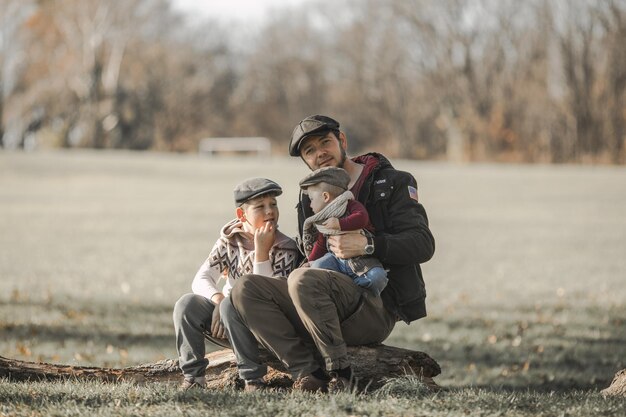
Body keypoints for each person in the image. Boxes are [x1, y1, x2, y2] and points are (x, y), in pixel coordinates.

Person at [228, 114, 435, 392]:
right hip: (319, 299)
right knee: (246, 289)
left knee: (304, 279)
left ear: (342, 141)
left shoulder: (391, 182)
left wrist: (368, 245)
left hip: (374, 304)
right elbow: (310, 254)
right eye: (309, 150)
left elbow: (423, 243)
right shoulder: (308, 197)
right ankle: (307, 374)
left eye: (325, 142)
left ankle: (341, 374)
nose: (319, 153)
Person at [172, 178, 301, 391]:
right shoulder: (230, 240)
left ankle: (253, 380)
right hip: (227, 323)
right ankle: (194, 377)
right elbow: (201, 278)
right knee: (186, 305)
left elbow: (264, 297)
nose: (270, 211)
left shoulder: (285, 247)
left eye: (274, 204)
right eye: (260, 207)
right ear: (242, 215)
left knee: (232, 304)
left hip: (266, 328)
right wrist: (219, 301)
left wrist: (261, 253)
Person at [299, 166, 388, 297]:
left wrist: (340, 224)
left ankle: (356, 290)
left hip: (361, 259)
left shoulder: (350, 205)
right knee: (316, 268)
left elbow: (362, 218)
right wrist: (310, 261)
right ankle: (343, 288)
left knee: (377, 277)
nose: (310, 205)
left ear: (325, 196)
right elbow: (321, 243)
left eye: (312, 199)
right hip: (335, 258)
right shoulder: (323, 218)